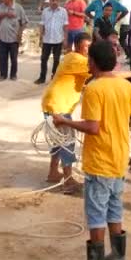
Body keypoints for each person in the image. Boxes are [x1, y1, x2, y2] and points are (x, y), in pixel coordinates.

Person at [53, 40, 131, 260]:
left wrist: (65, 121)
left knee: (96, 210)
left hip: (100, 160)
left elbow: (93, 127)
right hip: (118, 158)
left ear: (92, 62)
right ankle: (118, 253)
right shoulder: (125, 87)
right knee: (114, 207)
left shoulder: (94, 89)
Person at [41, 32, 92, 192]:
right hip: (59, 105)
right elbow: (102, 72)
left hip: (51, 101)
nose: (88, 51)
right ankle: (68, 180)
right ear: (77, 46)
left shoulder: (70, 57)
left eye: (90, 48)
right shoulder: (79, 60)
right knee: (67, 141)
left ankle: (52, 172)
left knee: (58, 139)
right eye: (86, 47)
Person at [35, 0, 69, 85]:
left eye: (57, 0)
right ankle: (42, 78)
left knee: (56, 59)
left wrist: (65, 39)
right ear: (49, 1)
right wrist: (41, 38)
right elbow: (42, 25)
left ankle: (54, 77)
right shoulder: (45, 11)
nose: (55, 2)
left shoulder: (63, 11)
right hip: (47, 39)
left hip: (58, 39)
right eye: (53, 0)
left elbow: (65, 26)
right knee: (43, 59)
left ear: (59, 1)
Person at [0, 0, 28, 81]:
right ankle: (3, 75)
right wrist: (6, 14)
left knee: (14, 59)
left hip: (14, 38)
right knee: (2, 58)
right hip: (2, 37)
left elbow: (24, 22)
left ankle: (13, 75)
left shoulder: (18, 8)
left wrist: (20, 33)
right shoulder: (1, 6)